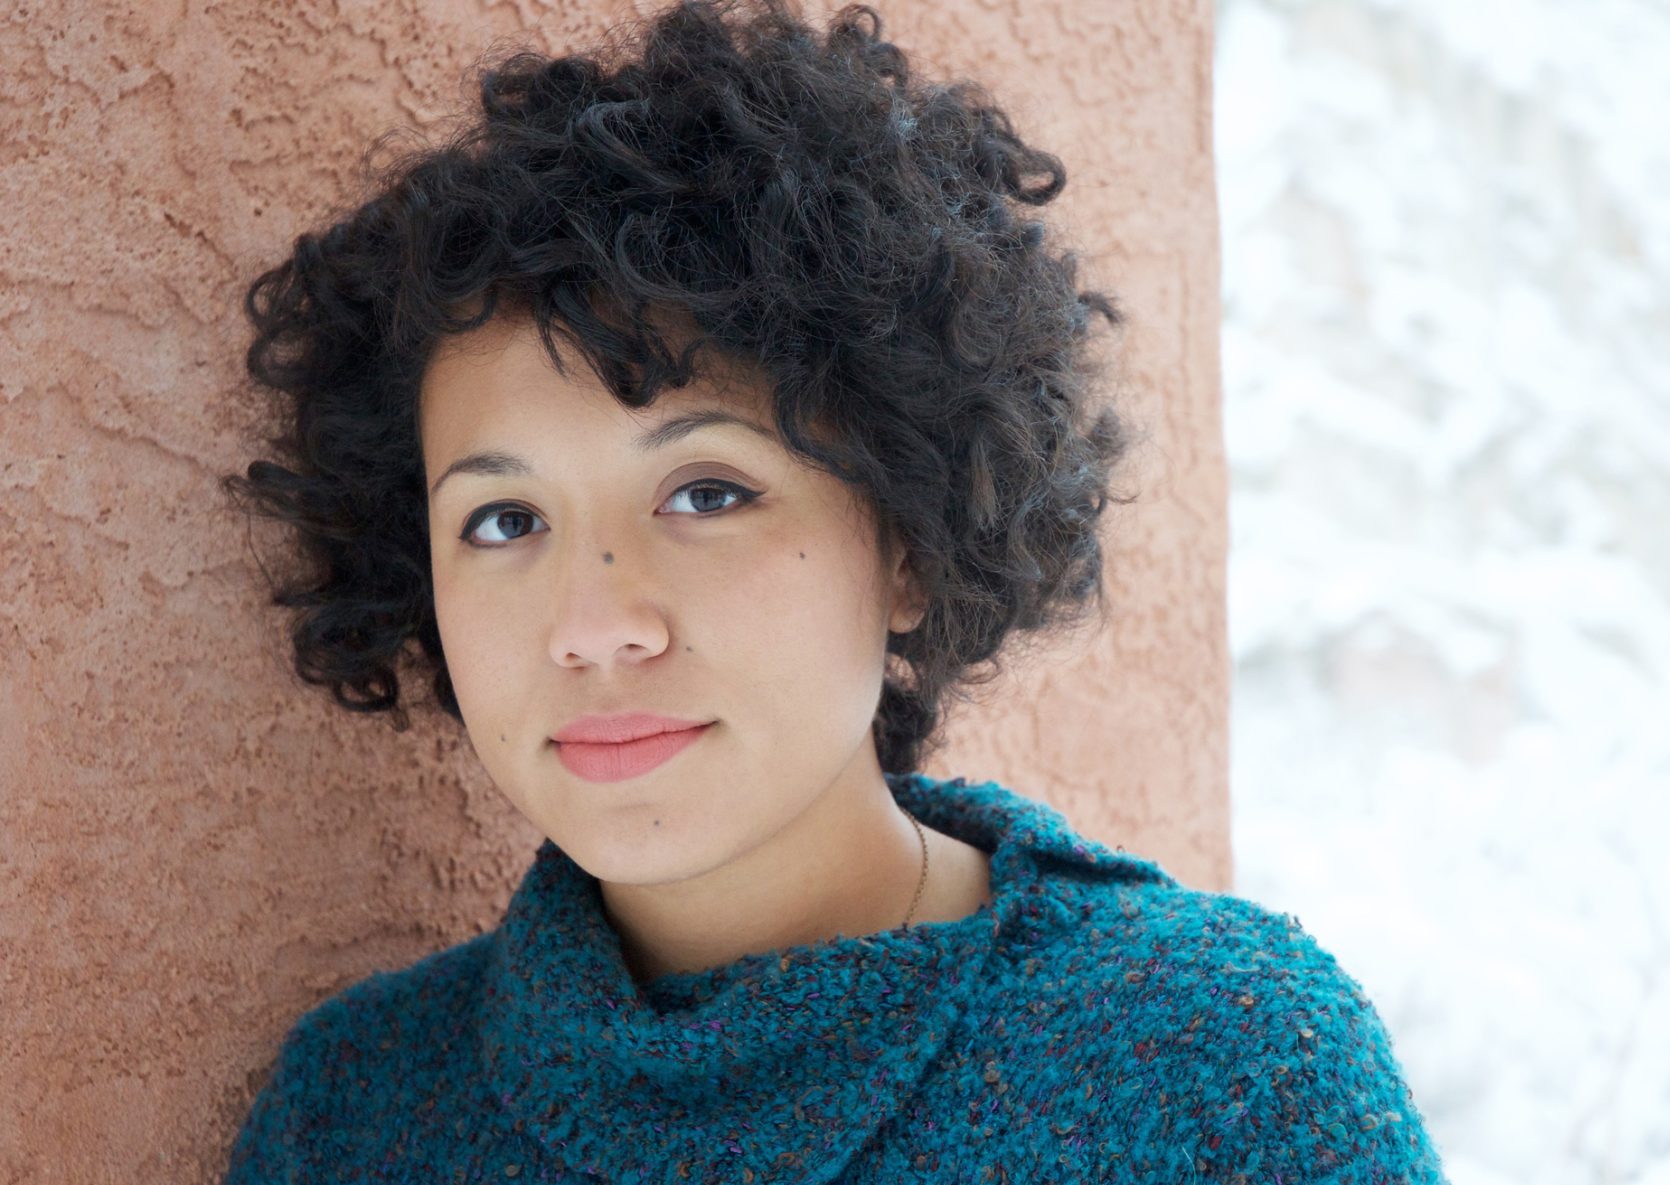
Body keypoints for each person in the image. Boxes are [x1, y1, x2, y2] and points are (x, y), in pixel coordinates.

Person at [218, 0, 1451, 1181]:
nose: (595, 626)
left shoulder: (1218, 1067)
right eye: (502, 520)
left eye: (705, 493)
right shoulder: (355, 1116)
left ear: (907, 544)